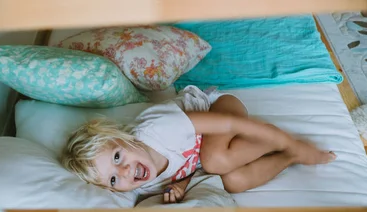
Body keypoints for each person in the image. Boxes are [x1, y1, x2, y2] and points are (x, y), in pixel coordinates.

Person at [61, 86, 336, 203]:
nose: (122, 173)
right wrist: (181, 185)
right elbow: (189, 168)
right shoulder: (142, 184)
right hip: (213, 151)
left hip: (220, 110)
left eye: (118, 157)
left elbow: (229, 124)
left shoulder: (159, 128)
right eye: (112, 179)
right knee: (233, 181)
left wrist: (287, 140)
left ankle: (279, 139)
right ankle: (288, 157)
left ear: (122, 138)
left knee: (216, 160)